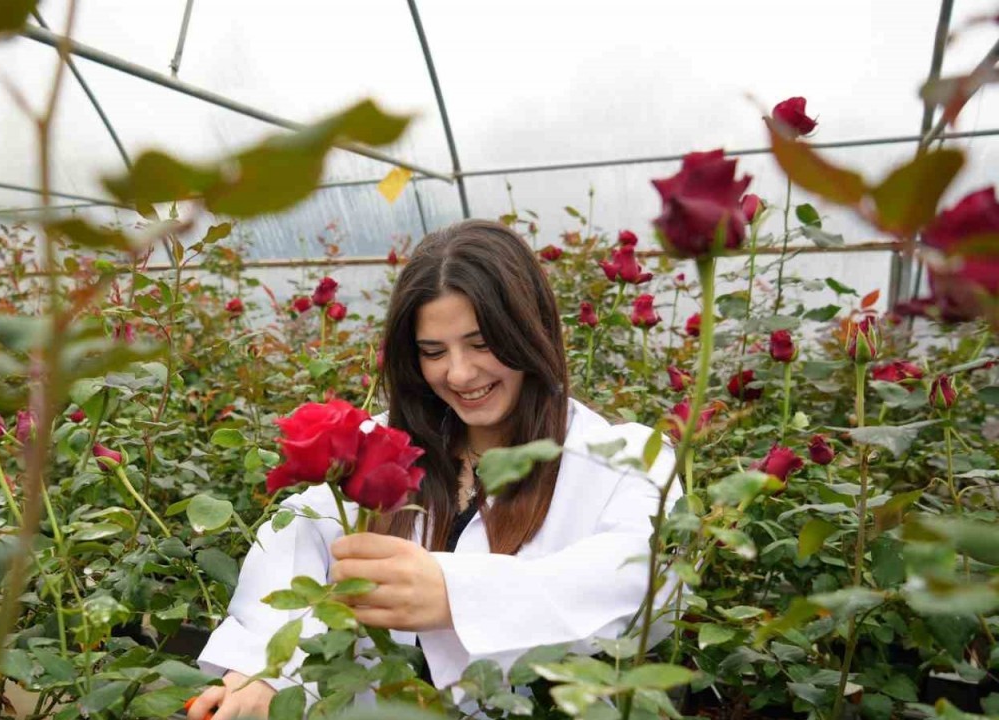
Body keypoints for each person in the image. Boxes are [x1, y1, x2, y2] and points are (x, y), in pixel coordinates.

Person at [188, 219, 681, 720]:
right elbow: (294, 542)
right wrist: (264, 671)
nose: (460, 373)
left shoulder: (621, 458)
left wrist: (456, 594)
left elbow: (641, 579)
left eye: (482, 343)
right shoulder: (385, 445)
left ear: (530, 332)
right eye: (433, 352)